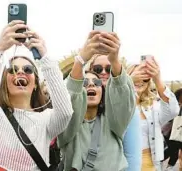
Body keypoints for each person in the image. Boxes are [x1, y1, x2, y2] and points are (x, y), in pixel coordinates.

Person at [0, 20, 73, 171]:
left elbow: (65, 112)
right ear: (4, 81)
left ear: (36, 83)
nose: (20, 72)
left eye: (28, 69)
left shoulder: (46, 120)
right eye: (12, 70)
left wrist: (44, 57)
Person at [58, 30, 136, 170]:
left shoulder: (114, 121)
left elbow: (122, 99)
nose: (92, 84)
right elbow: (70, 99)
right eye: (84, 83)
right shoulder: (67, 127)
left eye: (97, 83)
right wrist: (80, 60)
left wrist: (115, 60)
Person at [89, 53, 142, 171]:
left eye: (109, 69)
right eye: (98, 69)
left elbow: (132, 155)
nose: (103, 72)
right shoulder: (82, 103)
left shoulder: (128, 107)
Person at [127, 63, 179, 171]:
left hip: (149, 161)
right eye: (137, 76)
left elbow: (173, 111)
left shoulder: (152, 107)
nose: (140, 81)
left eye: (145, 79)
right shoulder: (116, 104)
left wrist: (157, 79)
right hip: (123, 161)